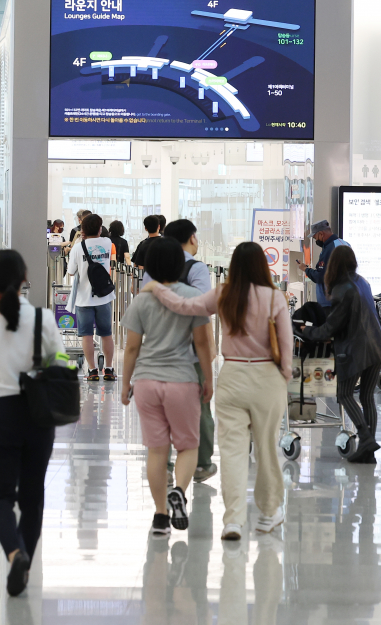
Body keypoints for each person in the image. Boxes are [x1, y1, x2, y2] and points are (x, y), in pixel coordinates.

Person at [141, 241, 292, 540]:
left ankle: (233, 520)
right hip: (266, 377)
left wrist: (157, 289)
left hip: (233, 374)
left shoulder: (224, 294)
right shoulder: (275, 297)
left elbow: (186, 306)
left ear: (234, 266)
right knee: (265, 448)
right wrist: (284, 374)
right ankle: (268, 512)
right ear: (262, 266)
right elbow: (286, 345)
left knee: (234, 453)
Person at [0, 249, 67, 596]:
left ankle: (14, 553)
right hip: (39, 415)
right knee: (33, 497)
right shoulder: (43, 318)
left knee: (0, 496)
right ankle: (24, 562)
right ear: (24, 280)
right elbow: (60, 364)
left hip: (2, 413)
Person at [120, 237, 215, 537]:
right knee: (188, 445)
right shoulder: (192, 298)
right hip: (182, 380)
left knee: (157, 451)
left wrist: (125, 384)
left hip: (147, 382)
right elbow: (202, 343)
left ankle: (160, 516)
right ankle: (180, 492)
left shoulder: (141, 300)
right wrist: (209, 379)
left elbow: (132, 348)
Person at [297, 245, 381, 463]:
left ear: (333, 265)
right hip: (376, 346)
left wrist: (307, 331)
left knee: (344, 394)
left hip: (356, 350)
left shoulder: (341, 289)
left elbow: (331, 328)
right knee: (367, 397)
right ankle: (368, 452)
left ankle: (366, 440)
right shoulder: (361, 282)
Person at [147, 218, 217, 481]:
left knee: (160, 410)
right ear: (192, 238)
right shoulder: (197, 268)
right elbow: (202, 308)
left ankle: (163, 466)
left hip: (157, 350)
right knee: (199, 406)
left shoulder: (151, 270)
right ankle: (201, 464)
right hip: (190, 350)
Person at [67, 213, 115, 382]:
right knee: (106, 334)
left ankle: (93, 371)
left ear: (83, 229)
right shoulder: (107, 243)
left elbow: (71, 271)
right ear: (100, 229)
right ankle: (109, 369)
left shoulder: (78, 247)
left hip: (84, 298)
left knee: (87, 335)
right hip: (104, 297)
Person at [295, 219, 351, 310]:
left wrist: (305, 269)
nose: (316, 240)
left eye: (315, 237)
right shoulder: (343, 244)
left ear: (321, 234)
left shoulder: (330, 248)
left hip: (331, 304)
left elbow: (320, 276)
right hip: (341, 300)